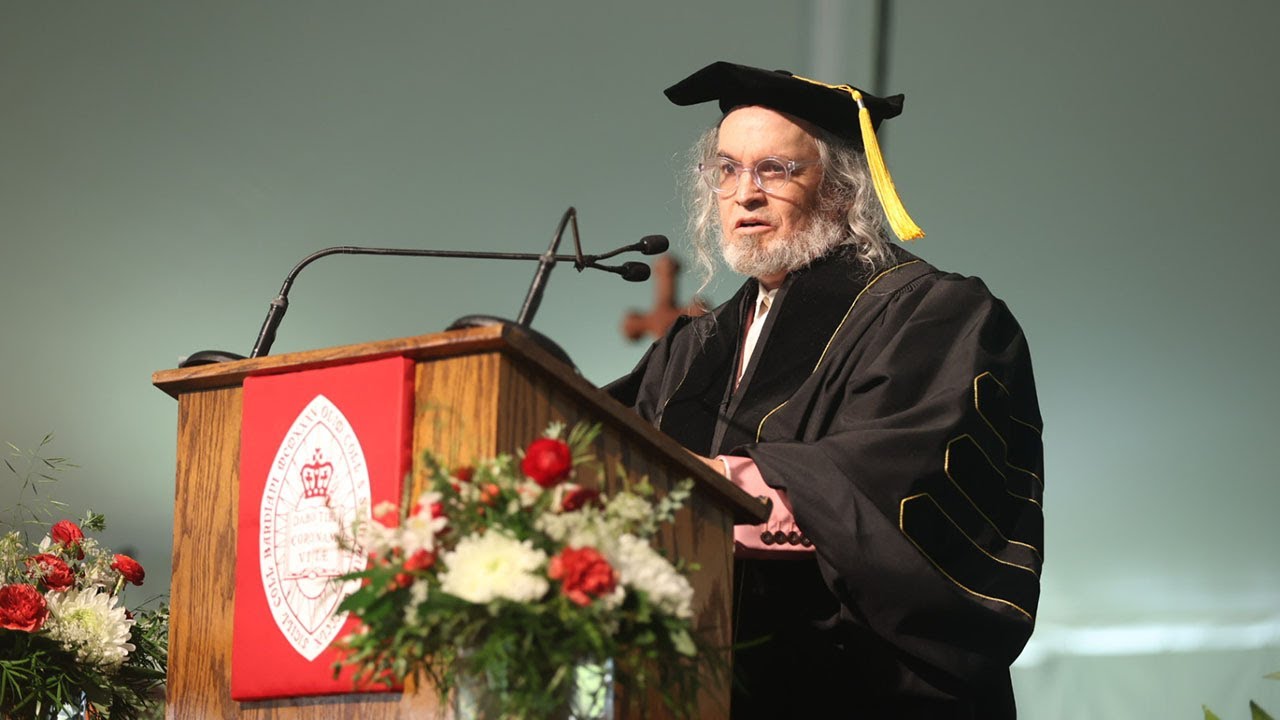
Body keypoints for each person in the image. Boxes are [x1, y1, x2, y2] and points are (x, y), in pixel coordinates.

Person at [606, 61, 1044, 719]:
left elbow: (902, 479)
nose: (745, 193)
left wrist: (720, 484)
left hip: (860, 692)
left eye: (774, 170)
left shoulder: (934, 314)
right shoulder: (689, 349)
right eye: (726, 170)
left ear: (840, 189)